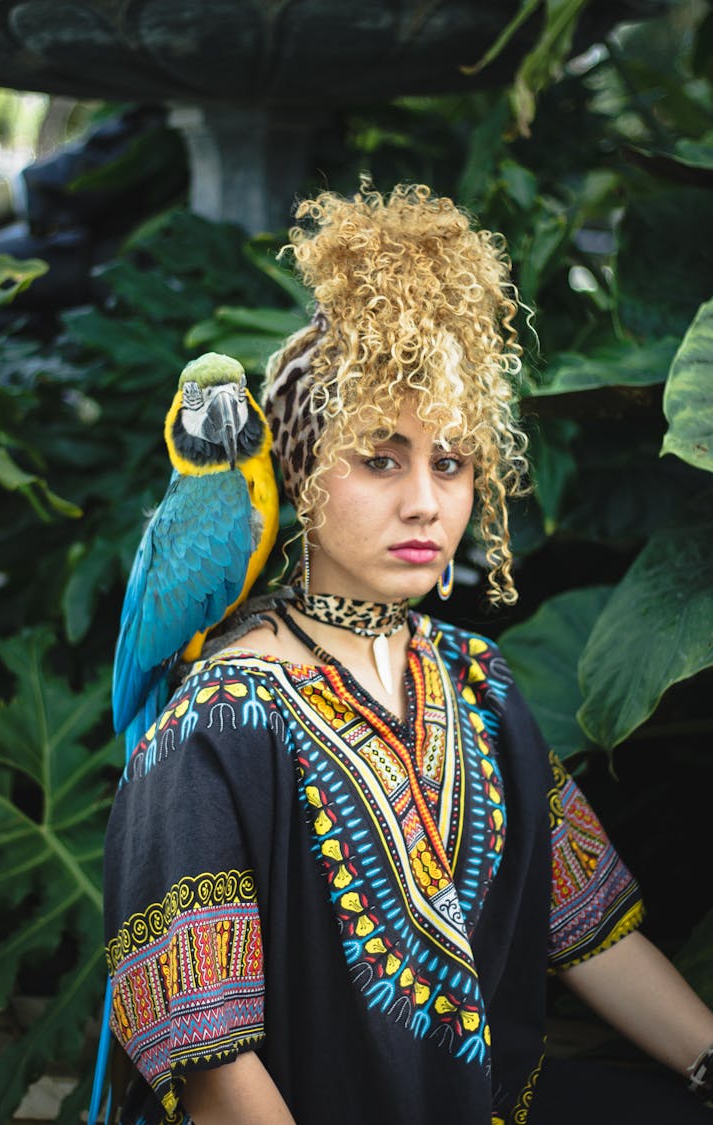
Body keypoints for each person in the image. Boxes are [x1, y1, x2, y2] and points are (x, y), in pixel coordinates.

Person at [102, 182, 713, 1125]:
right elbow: (212, 1064)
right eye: (381, 459)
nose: (427, 502)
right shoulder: (215, 726)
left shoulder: (475, 678)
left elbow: (584, 929)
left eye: (455, 461)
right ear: (299, 468)